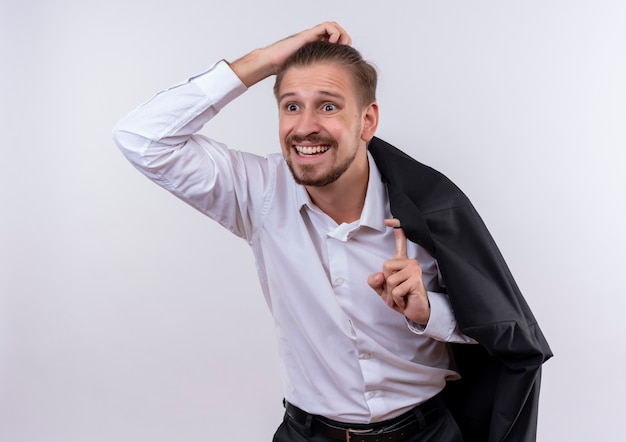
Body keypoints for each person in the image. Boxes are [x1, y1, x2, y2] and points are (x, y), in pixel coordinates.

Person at [113, 22, 551, 442]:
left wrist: (428, 312)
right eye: (291, 105)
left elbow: (498, 331)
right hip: (308, 434)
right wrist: (265, 60)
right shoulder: (259, 194)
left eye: (328, 105)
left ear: (367, 121)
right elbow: (141, 137)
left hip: (427, 432)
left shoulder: (429, 210)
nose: (304, 127)